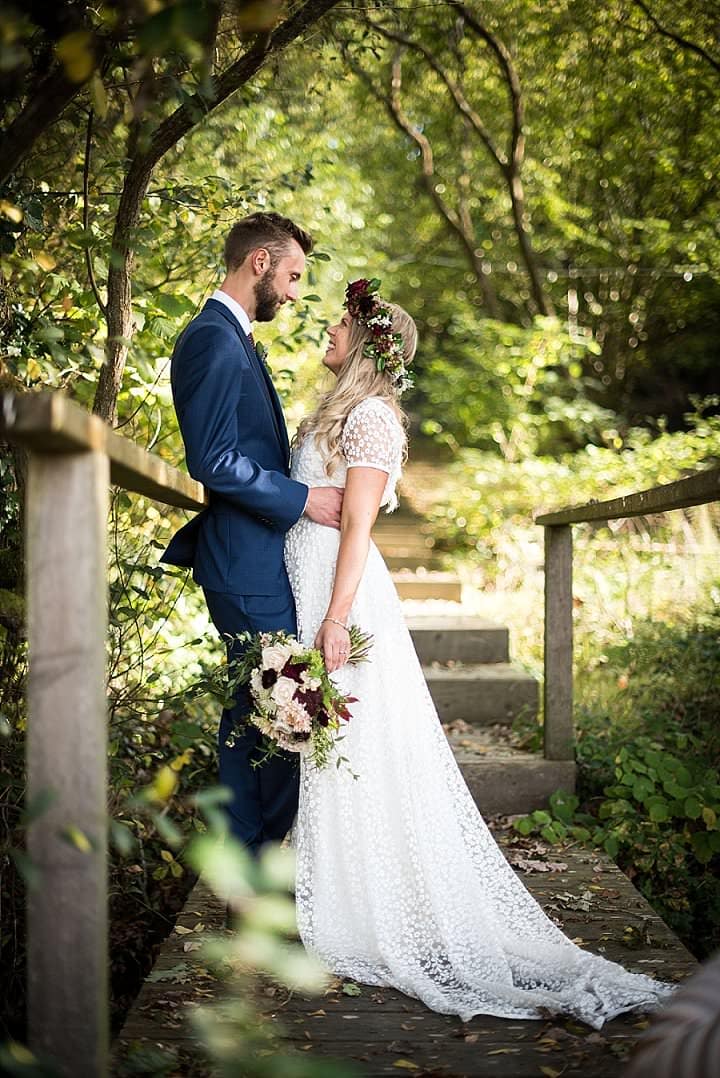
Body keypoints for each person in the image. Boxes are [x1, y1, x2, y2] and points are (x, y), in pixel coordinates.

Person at [282, 277, 679, 1028]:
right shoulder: (334, 414)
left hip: (342, 595)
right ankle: (341, 886)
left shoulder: (370, 419)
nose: (327, 332)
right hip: (307, 585)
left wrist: (335, 620)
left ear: (369, 346)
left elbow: (358, 528)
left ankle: (369, 903)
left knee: (353, 740)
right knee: (332, 742)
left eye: (340, 325)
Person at [160, 212, 343, 862]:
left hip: (253, 560)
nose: (295, 291)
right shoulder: (213, 337)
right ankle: (256, 859)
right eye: (293, 275)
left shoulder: (233, 336)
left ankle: (251, 862)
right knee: (280, 711)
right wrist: (305, 499)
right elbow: (211, 460)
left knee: (258, 712)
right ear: (259, 263)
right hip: (243, 564)